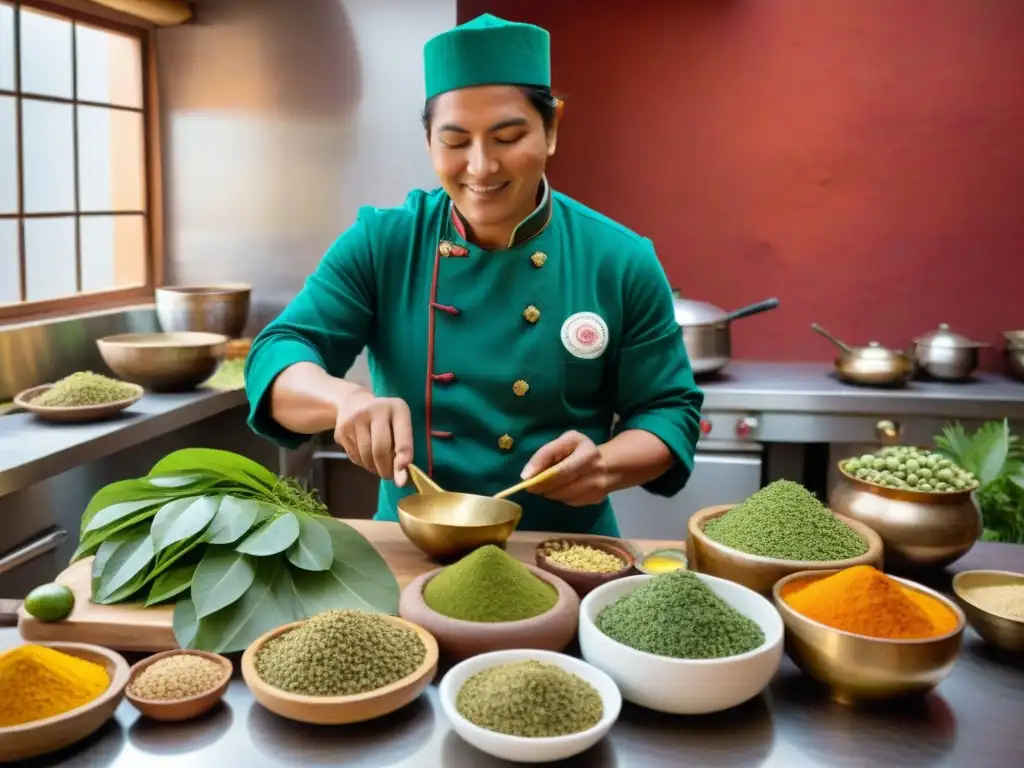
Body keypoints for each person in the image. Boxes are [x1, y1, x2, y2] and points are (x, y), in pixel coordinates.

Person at [244, 13, 704, 537]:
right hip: (412, 544)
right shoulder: (384, 242)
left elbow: (670, 412)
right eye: (456, 141)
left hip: (564, 548)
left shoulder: (619, 258)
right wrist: (344, 400)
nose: (481, 167)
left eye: (508, 137)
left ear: (551, 129)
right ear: (429, 144)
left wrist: (603, 464)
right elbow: (276, 354)